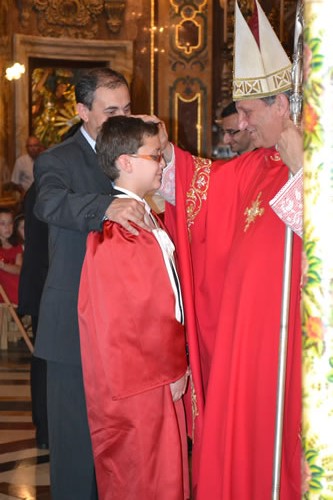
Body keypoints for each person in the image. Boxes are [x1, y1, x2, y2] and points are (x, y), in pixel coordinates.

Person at [159, 1, 303, 498]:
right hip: (247, 335)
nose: (240, 124)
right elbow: (203, 187)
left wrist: (305, 170)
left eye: (248, 112)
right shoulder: (258, 163)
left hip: (288, 341)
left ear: (281, 104)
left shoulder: (314, 156)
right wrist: (156, 151)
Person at [33, 67, 151, 500]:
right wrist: (108, 207)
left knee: (122, 446)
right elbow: (49, 202)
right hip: (72, 329)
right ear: (83, 112)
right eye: (111, 110)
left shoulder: (134, 152)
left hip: (125, 329)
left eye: (128, 108)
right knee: (75, 450)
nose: (124, 117)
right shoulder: (57, 160)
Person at [78, 116, 190, 499]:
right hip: (141, 382)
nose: (162, 162)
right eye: (155, 155)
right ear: (126, 162)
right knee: (145, 479)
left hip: (149, 377)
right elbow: (141, 313)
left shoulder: (141, 217)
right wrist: (175, 366)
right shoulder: (121, 230)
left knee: (160, 475)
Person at [18, 182, 49, 449]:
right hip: (46, 285)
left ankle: (46, 429)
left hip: (43, 284)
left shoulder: (42, 182)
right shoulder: (50, 183)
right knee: (45, 360)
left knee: (43, 359)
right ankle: (46, 429)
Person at [0, 207, 23, 304]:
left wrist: (3, 266)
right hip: (3, 301)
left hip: (16, 298)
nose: (7, 227)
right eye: (2, 224)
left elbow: (19, 269)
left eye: (10, 223)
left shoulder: (16, 246)